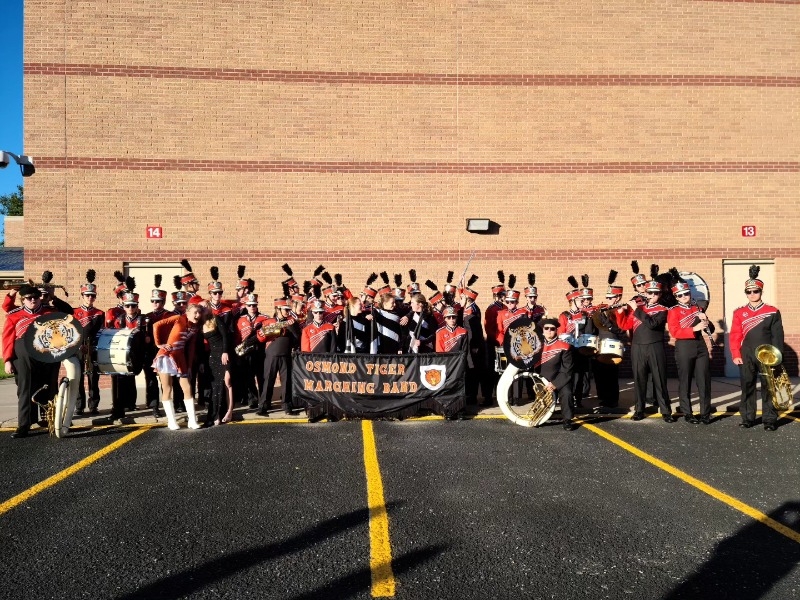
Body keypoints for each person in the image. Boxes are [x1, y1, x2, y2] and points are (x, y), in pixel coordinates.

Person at [3, 285, 76, 438]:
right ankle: (24, 424)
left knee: (49, 386)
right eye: (29, 298)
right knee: (25, 388)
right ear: (23, 300)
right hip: (24, 356)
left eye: (35, 297)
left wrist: (53, 297)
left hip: (46, 353)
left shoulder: (50, 312)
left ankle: (49, 419)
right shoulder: (14, 315)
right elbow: (8, 339)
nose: (33, 300)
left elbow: (70, 312)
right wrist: (8, 360)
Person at [729, 265, 784, 431]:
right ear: (746, 293)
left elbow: (778, 337)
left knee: (769, 387)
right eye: (749, 292)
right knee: (747, 386)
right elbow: (735, 334)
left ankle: (769, 419)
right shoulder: (739, 312)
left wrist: (777, 358)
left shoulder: (772, 311)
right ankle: (747, 417)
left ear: (761, 292)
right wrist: (735, 353)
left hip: (767, 354)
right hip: (746, 354)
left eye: (755, 291)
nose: (752, 294)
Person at [618, 278, 675, 422]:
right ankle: (639, 410)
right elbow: (625, 326)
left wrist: (637, 309)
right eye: (650, 292)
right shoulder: (638, 308)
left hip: (655, 346)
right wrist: (620, 312)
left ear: (659, 295)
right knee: (639, 380)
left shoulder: (662, 309)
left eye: (655, 293)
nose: (652, 295)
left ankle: (666, 411)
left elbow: (652, 324)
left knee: (659, 379)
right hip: (637, 347)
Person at [152, 299, 206, 430]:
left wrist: (188, 365)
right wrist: (158, 343)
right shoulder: (177, 318)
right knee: (167, 388)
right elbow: (156, 325)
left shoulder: (195, 327)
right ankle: (171, 421)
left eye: (199, 312)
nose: (197, 315)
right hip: (166, 355)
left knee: (187, 387)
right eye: (195, 312)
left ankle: (192, 421)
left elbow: (191, 347)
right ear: (187, 313)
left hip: (180, 357)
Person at [667, 275, 713, 424]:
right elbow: (674, 332)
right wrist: (694, 328)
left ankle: (705, 413)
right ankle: (688, 413)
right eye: (680, 295)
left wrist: (706, 320)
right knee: (685, 380)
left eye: (686, 293)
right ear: (676, 297)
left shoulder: (697, 307)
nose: (684, 296)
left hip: (700, 345)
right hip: (684, 346)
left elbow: (709, 329)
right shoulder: (673, 311)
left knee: (704, 380)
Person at [256, 297, 301, 416]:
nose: (287, 312)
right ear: (278, 309)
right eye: (285, 309)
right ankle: (263, 406)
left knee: (286, 382)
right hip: (271, 355)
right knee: (268, 381)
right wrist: (272, 329)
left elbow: (297, 339)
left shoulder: (292, 322)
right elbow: (260, 338)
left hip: (285, 356)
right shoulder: (268, 321)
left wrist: (293, 327)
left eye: (288, 309)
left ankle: (287, 405)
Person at [72, 270, 105, 416]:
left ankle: (93, 406)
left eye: (93, 295)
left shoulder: (100, 313)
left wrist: (93, 346)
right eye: (87, 295)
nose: (90, 298)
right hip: (78, 347)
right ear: (82, 296)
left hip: (92, 347)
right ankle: (79, 406)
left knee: (93, 377)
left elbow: (101, 332)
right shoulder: (74, 312)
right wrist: (78, 345)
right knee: (78, 376)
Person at [142, 275, 174, 418]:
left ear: (164, 301)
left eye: (159, 301)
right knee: (150, 380)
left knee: (165, 380)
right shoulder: (145, 317)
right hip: (149, 352)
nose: (156, 303)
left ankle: (169, 404)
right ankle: (154, 406)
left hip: (164, 352)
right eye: (153, 301)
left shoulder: (170, 315)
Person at [536, 317, 575, 430]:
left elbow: (567, 369)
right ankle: (541, 416)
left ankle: (567, 420)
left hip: (560, 379)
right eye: (546, 328)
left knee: (567, 393)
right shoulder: (537, 346)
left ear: (556, 330)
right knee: (540, 395)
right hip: (543, 379)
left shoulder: (565, 346)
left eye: (552, 329)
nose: (549, 331)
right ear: (542, 330)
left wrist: (555, 384)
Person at [201, 300, 234, 426]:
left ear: (209, 308)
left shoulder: (216, 319)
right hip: (212, 357)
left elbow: (225, 336)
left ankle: (229, 411)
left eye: (205, 307)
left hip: (224, 354)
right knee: (216, 386)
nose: (203, 309)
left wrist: (225, 352)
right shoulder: (200, 324)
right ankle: (216, 414)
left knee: (227, 382)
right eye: (201, 308)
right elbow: (200, 345)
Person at [236, 293, 268, 408]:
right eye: (249, 305)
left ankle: (264, 400)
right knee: (248, 377)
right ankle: (252, 400)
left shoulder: (264, 318)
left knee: (262, 377)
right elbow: (238, 337)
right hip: (246, 352)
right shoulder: (240, 320)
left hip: (260, 351)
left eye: (254, 305)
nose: (252, 307)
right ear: (246, 306)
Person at [460, 275, 485, 408]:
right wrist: (462, 283)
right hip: (468, 345)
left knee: (472, 371)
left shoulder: (473, 311)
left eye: (463, 297)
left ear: (467, 299)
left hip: (473, 346)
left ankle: (472, 396)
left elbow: (472, 331)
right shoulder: (468, 307)